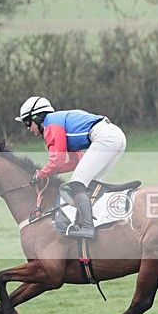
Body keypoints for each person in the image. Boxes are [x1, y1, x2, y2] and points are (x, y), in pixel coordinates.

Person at [15, 96, 126, 239]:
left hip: (105, 137)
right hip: (115, 136)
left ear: (37, 117)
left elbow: (56, 161)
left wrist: (40, 174)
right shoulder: (58, 122)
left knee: (76, 184)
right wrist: (49, 172)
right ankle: (101, 224)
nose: (28, 128)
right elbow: (75, 162)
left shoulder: (51, 125)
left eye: (27, 122)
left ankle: (87, 227)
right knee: (90, 185)